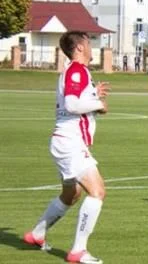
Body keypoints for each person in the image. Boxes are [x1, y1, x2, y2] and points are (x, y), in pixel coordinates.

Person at [24, 31, 110, 264]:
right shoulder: (76, 70)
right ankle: (78, 251)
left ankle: (37, 233)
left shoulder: (77, 72)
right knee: (98, 191)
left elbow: (73, 101)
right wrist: (98, 104)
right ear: (79, 47)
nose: (93, 47)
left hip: (65, 140)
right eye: (89, 43)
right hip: (69, 142)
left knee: (71, 194)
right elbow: (72, 104)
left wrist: (94, 95)